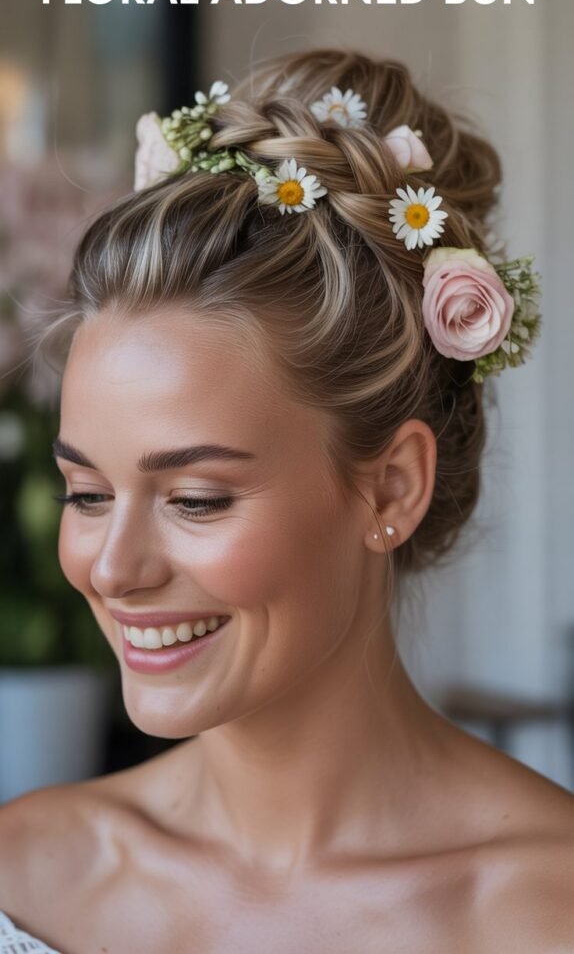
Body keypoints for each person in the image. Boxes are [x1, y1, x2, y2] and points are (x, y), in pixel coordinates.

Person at [0, 48, 572, 953]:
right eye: (87, 492)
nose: (112, 571)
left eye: (194, 499)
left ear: (392, 486)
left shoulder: (547, 910)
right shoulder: (22, 881)